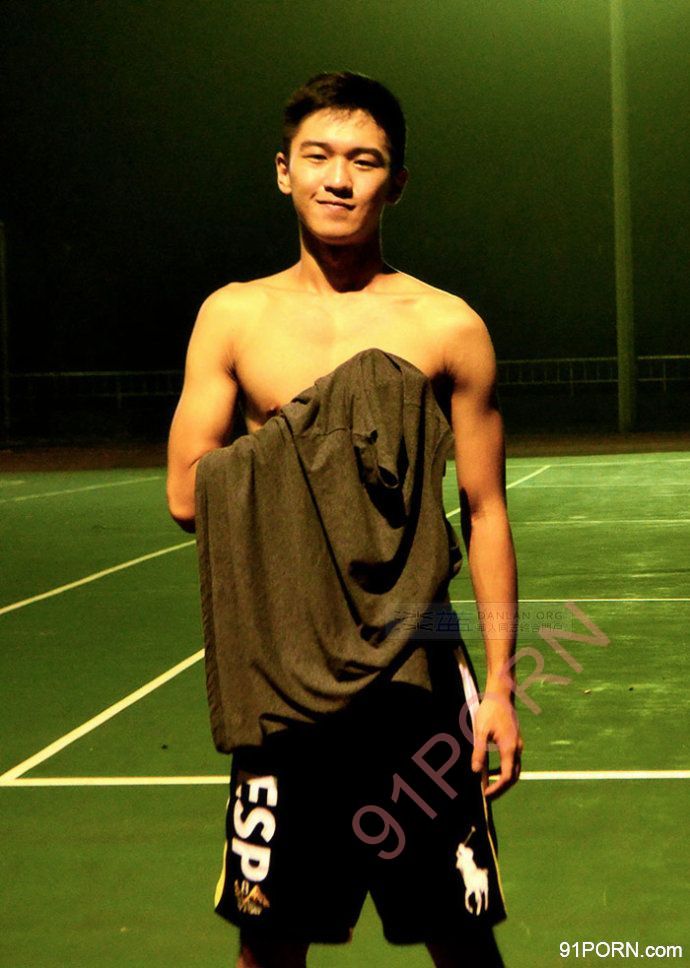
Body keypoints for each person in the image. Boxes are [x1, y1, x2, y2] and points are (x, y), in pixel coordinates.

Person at [167, 71, 522, 968]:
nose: (338, 178)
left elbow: (485, 511)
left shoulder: (447, 325)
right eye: (318, 156)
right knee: (271, 944)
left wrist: (502, 689)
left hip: (418, 670)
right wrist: (336, 431)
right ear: (282, 171)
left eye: (364, 161)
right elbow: (187, 493)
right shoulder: (234, 316)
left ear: (395, 183)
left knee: (462, 940)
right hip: (284, 676)